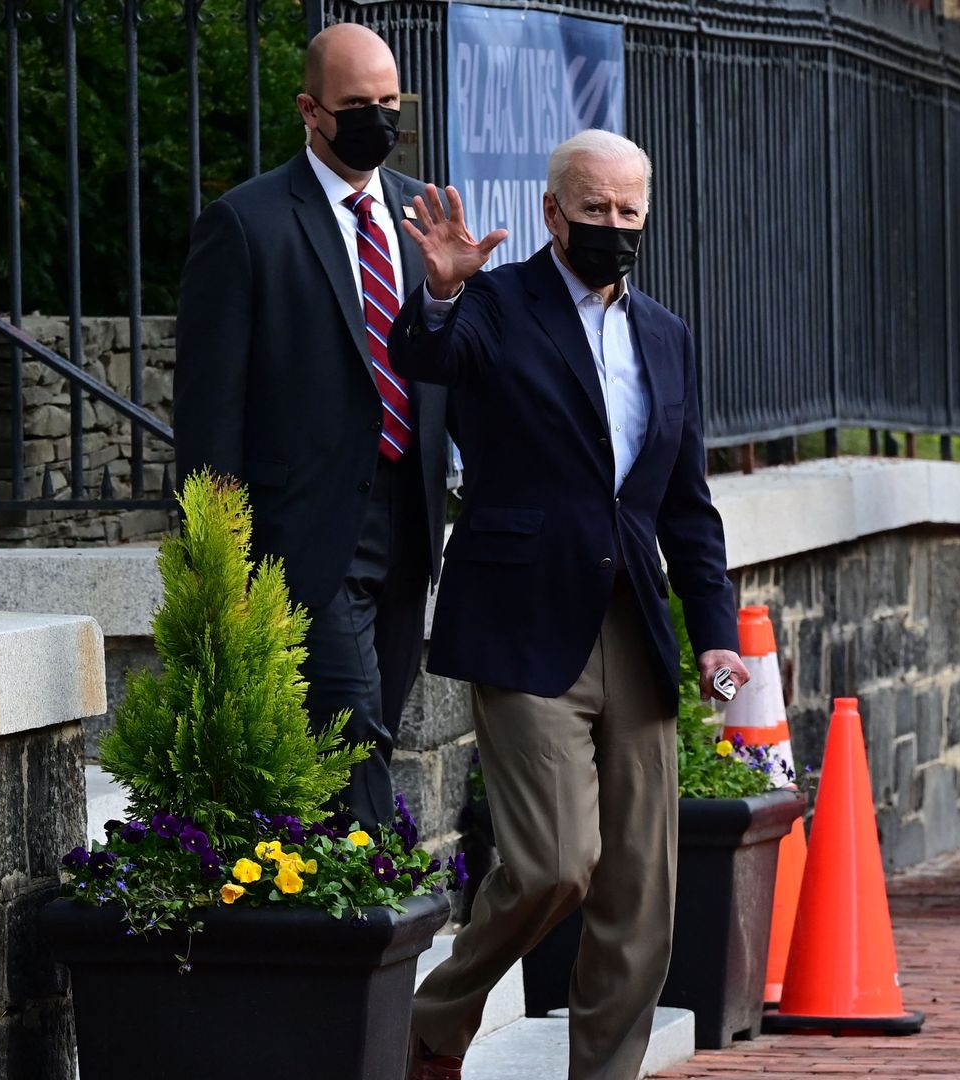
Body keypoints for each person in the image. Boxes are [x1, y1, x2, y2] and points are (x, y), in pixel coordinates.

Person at [391, 129, 746, 1080]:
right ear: (553, 212)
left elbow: (686, 505)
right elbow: (429, 355)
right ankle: (437, 1017)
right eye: (594, 208)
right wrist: (442, 291)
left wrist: (715, 635)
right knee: (555, 863)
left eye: (629, 211)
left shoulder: (666, 335)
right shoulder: (497, 304)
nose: (613, 226)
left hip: (634, 626)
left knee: (641, 897)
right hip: (523, 622)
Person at [174, 23, 449, 828]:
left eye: (389, 102)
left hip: (408, 519)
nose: (378, 119)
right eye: (357, 104)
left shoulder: (421, 215)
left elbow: (450, 371)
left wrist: (448, 299)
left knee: (375, 727)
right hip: (304, 531)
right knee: (350, 727)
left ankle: (328, 882)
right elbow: (210, 408)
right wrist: (216, 554)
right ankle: (375, 890)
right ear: (309, 109)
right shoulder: (246, 223)